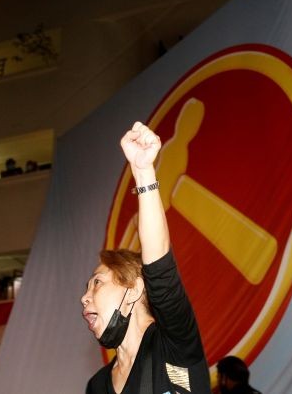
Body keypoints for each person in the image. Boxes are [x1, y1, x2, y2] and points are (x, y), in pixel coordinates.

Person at [81, 122, 209, 393]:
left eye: (97, 282)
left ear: (134, 289)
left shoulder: (174, 345)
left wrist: (142, 171)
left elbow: (160, 270)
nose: (84, 297)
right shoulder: (96, 387)